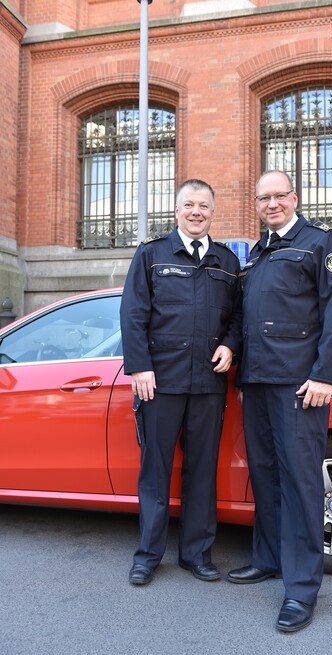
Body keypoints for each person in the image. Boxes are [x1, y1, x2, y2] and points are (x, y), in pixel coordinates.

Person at [227, 170, 332, 632]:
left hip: (300, 385)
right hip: (256, 380)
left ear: (294, 198)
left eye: (280, 196)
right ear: (256, 203)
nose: (272, 203)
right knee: (265, 475)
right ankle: (269, 558)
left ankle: (301, 591)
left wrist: (324, 375)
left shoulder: (320, 243)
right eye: (264, 197)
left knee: (300, 483)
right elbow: (243, 314)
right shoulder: (256, 252)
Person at [120, 178, 242, 586]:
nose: (196, 212)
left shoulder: (227, 262)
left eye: (203, 206)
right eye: (188, 205)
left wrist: (230, 345)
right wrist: (139, 367)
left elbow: (239, 317)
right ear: (176, 211)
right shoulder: (152, 254)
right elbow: (133, 313)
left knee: (202, 470)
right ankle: (148, 556)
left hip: (208, 384)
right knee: (154, 472)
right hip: (160, 383)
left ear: (212, 211)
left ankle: (197, 554)